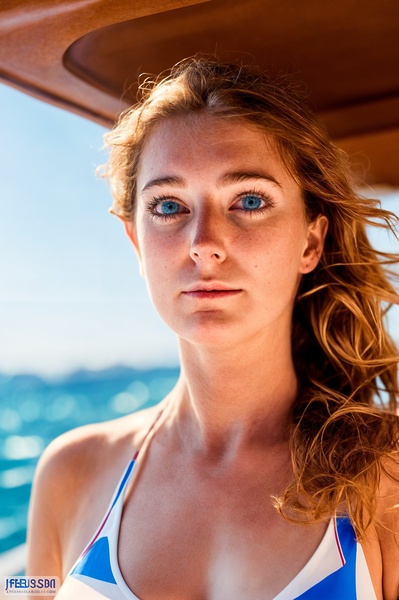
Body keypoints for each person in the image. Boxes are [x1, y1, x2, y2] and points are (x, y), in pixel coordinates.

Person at [26, 56, 399, 599]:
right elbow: (25, 587)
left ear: (310, 242)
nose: (203, 241)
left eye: (249, 200)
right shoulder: (68, 472)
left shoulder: (385, 477)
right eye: (169, 205)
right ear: (136, 242)